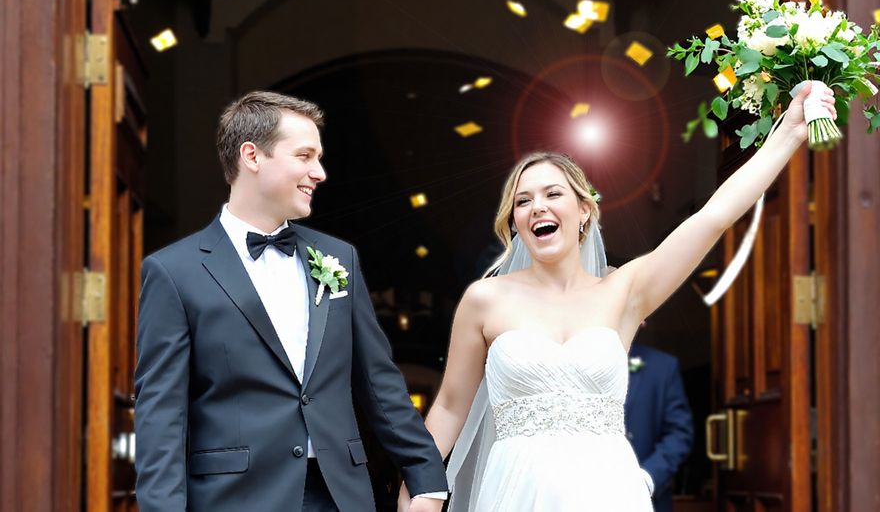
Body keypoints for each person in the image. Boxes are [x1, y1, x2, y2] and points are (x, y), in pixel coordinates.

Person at [398, 82, 835, 510]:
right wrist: (418, 492)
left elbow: (714, 217)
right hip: (515, 489)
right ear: (514, 221)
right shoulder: (485, 300)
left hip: (606, 488)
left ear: (584, 210)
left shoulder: (625, 290)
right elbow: (451, 409)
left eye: (553, 194)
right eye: (523, 201)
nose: (537, 208)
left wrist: (791, 132)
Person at [134, 91, 447, 512]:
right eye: (304, 155)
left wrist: (427, 479)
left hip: (340, 495)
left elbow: (379, 382)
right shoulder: (173, 272)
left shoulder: (339, 260)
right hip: (233, 500)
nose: (319, 172)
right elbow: (161, 414)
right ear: (252, 156)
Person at [625, 342, 694, 512]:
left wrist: (648, 477)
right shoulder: (573, 364)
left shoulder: (662, 366)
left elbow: (680, 434)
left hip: (648, 501)